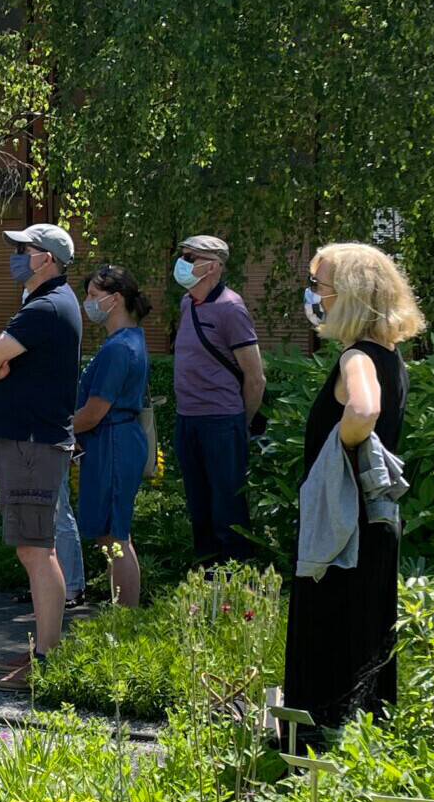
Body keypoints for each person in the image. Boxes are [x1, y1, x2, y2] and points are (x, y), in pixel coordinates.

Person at [282, 241, 420, 735]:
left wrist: (336, 451)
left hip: (344, 526)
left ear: (351, 296)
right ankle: (362, 748)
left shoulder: (357, 358)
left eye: (320, 286)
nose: (313, 296)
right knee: (364, 637)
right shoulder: (391, 356)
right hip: (373, 521)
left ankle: (313, 752)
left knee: (327, 635)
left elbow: (364, 410)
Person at [0, 223, 84, 692]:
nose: (16, 256)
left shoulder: (47, 307)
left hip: (33, 444)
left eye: (24, 249)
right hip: (28, 442)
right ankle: (41, 648)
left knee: (38, 550)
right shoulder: (46, 305)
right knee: (33, 547)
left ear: (47, 259)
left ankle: (46, 659)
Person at [170, 234, 266, 566]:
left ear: (214, 266)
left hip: (222, 422)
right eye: (182, 255)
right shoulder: (188, 303)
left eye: (190, 256)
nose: (182, 262)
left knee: (228, 508)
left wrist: (239, 423)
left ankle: (237, 581)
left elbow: (255, 377)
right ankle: (207, 579)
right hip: (187, 420)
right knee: (199, 506)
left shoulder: (231, 308)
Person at [74, 265, 152, 609]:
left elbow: (94, 411)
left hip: (114, 444)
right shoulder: (125, 341)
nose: (86, 302)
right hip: (112, 442)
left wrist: (59, 429)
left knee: (114, 537)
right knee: (112, 535)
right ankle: (122, 612)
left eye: (93, 295)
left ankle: (126, 616)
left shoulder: (119, 347)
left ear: (115, 299)